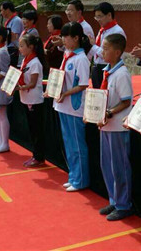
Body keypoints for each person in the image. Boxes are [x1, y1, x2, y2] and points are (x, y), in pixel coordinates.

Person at [45, 22, 91, 192]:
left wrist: (65, 93)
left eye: (66, 37)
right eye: (63, 36)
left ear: (76, 38)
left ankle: (81, 180)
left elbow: (83, 84)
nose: (63, 40)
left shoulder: (81, 59)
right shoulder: (67, 55)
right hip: (62, 105)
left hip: (74, 106)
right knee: (69, 145)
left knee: (77, 145)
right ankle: (73, 176)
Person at [92, 34, 134, 221]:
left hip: (117, 126)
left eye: (106, 48)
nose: (102, 51)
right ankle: (114, 199)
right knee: (107, 165)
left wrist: (108, 113)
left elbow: (126, 101)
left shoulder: (122, 74)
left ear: (117, 52)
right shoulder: (107, 71)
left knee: (119, 167)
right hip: (106, 126)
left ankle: (124, 205)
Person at [18, 34, 47, 168]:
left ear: (31, 47)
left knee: (37, 130)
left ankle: (39, 157)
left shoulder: (35, 62)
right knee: (32, 129)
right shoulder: (26, 60)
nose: (20, 48)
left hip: (34, 99)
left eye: (22, 46)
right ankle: (35, 155)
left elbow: (33, 83)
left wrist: (19, 87)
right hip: (26, 98)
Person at [88, 2, 126, 89]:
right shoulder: (102, 30)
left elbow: (109, 54)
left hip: (108, 67)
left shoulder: (117, 31)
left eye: (100, 16)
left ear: (109, 15)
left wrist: (93, 46)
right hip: (97, 67)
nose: (98, 19)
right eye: (96, 17)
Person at [0, 1, 23, 66]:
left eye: (2, 10)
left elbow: (14, 37)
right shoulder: (10, 21)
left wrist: (2, 33)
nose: (1, 12)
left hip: (14, 49)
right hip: (9, 48)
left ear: (7, 10)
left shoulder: (16, 20)